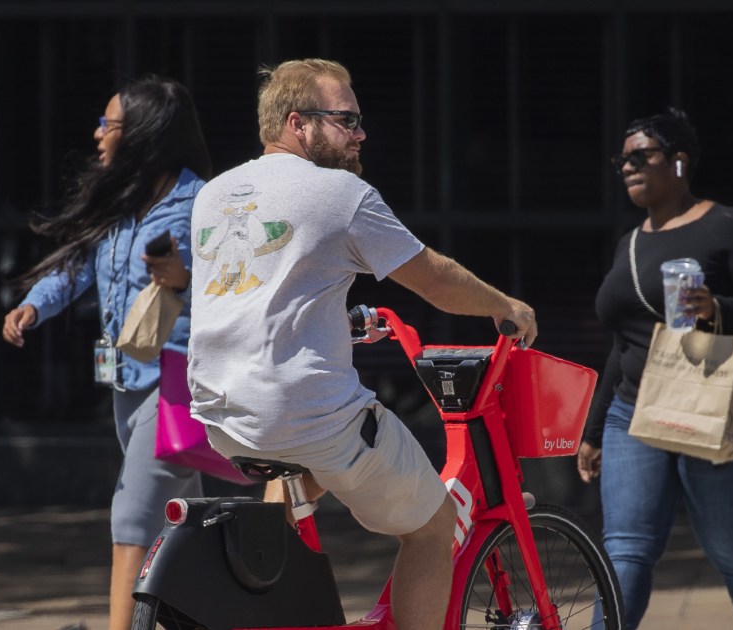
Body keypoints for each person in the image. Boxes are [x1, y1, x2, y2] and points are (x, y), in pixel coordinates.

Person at [186, 58, 537, 630]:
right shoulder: (341, 193)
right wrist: (505, 306)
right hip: (303, 412)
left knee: (306, 472)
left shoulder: (217, 193)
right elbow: (437, 281)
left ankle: (283, 590)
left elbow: (258, 293)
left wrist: (335, 319)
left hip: (222, 415)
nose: (360, 133)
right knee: (433, 526)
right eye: (345, 120)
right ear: (298, 123)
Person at [1, 76, 211, 630]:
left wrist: (186, 276)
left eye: (108, 124)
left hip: (177, 378)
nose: (97, 134)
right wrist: (34, 306)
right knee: (185, 520)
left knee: (133, 513)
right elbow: (76, 268)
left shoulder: (201, 203)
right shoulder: (120, 200)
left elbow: (236, 281)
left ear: (142, 133)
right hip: (126, 380)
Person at [576, 107, 733, 630]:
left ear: (678, 162)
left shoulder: (726, 227)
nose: (628, 166)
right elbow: (622, 343)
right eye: (621, 159)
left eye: (641, 156)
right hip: (633, 411)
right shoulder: (629, 243)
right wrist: (594, 427)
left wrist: (719, 309)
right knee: (625, 549)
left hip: (713, 403)